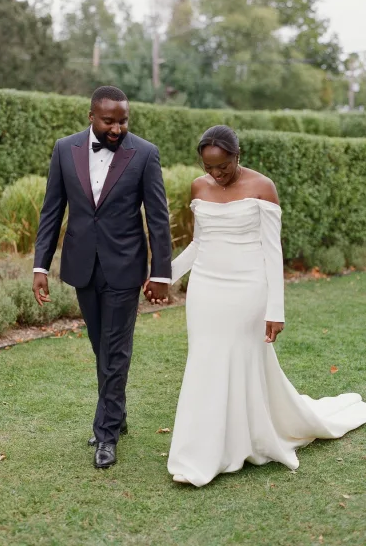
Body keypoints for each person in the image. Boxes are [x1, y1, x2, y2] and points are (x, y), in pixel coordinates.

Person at [168, 125, 366, 487]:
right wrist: (168, 275)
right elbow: (199, 243)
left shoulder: (263, 187)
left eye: (223, 166)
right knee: (204, 360)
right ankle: (200, 451)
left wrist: (276, 309)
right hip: (205, 291)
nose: (216, 174)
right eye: (209, 167)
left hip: (247, 290)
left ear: (237, 155)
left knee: (240, 360)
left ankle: (244, 441)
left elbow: (273, 255)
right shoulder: (198, 188)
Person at [32, 86, 172, 469]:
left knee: (115, 349)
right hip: (82, 266)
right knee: (101, 346)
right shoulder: (65, 149)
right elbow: (51, 211)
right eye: (109, 121)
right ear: (91, 116)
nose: (117, 128)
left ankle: (106, 433)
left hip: (125, 268)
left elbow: (158, 219)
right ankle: (118, 414)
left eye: (123, 120)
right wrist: (40, 267)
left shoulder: (144, 153)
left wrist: (161, 273)